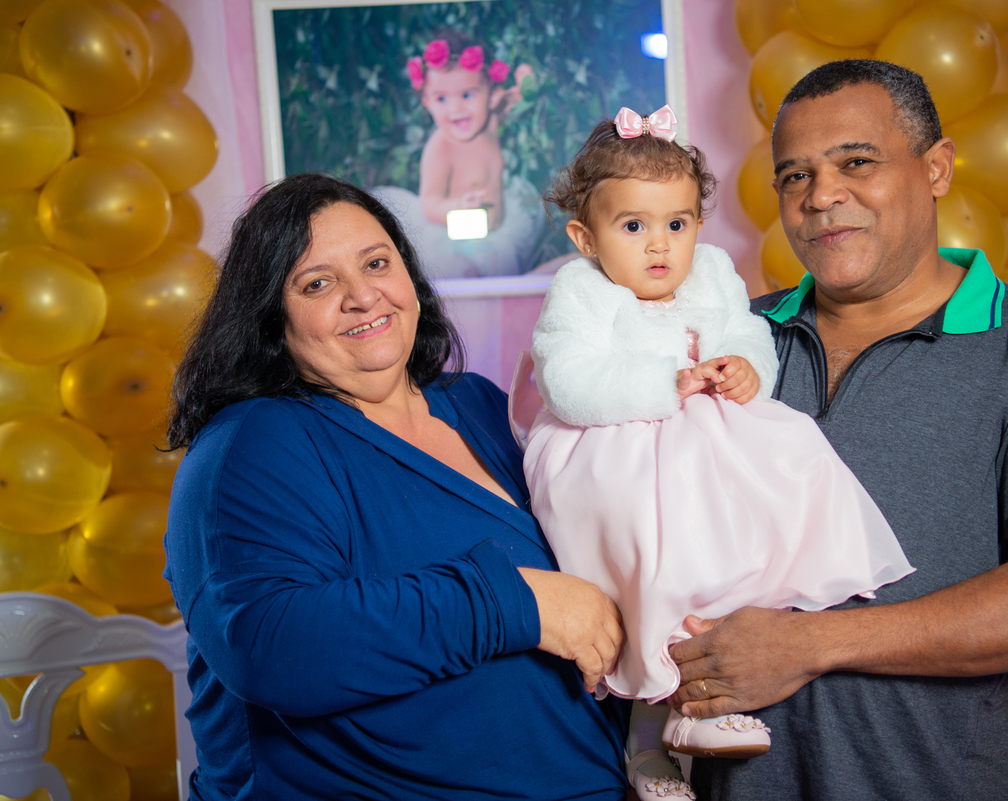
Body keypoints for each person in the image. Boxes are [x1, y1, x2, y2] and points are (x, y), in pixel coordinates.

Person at [665, 60, 1008, 800]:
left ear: (936, 168)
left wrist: (807, 645)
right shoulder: (731, 341)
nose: (822, 196)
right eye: (795, 175)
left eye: (856, 162)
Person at [163, 173, 629, 799]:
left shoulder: (479, 403)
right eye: (317, 283)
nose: (363, 296)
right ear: (271, 317)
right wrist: (516, 603)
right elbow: (266, 645)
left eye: (377, 263)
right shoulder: (252, 443)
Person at [519, 108, 914, 801]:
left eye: (677, 224)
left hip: (702, 434)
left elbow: (746, 332)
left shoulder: (711, 272)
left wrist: (743, 367)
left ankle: (701, 706)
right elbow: (567, 378)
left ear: (699, 223)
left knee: (773, 481)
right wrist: (661, 384)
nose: (659, 245)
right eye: (632, 227)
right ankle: (648, 744)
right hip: (611, 443)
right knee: (657, 570)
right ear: (586, 237)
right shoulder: (580, 289)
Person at [372, 32, 542, 279]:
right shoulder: (440, 147)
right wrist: (458, 207)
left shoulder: (491, 121)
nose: (456, 108)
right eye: (441, 98)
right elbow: (429, 202)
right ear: (427, 103)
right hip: (454, 238)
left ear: (491, 95)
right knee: (465, 274)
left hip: (495, 230)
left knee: (499, 271)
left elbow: (520, 96)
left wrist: (526, 79)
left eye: (467, 94)